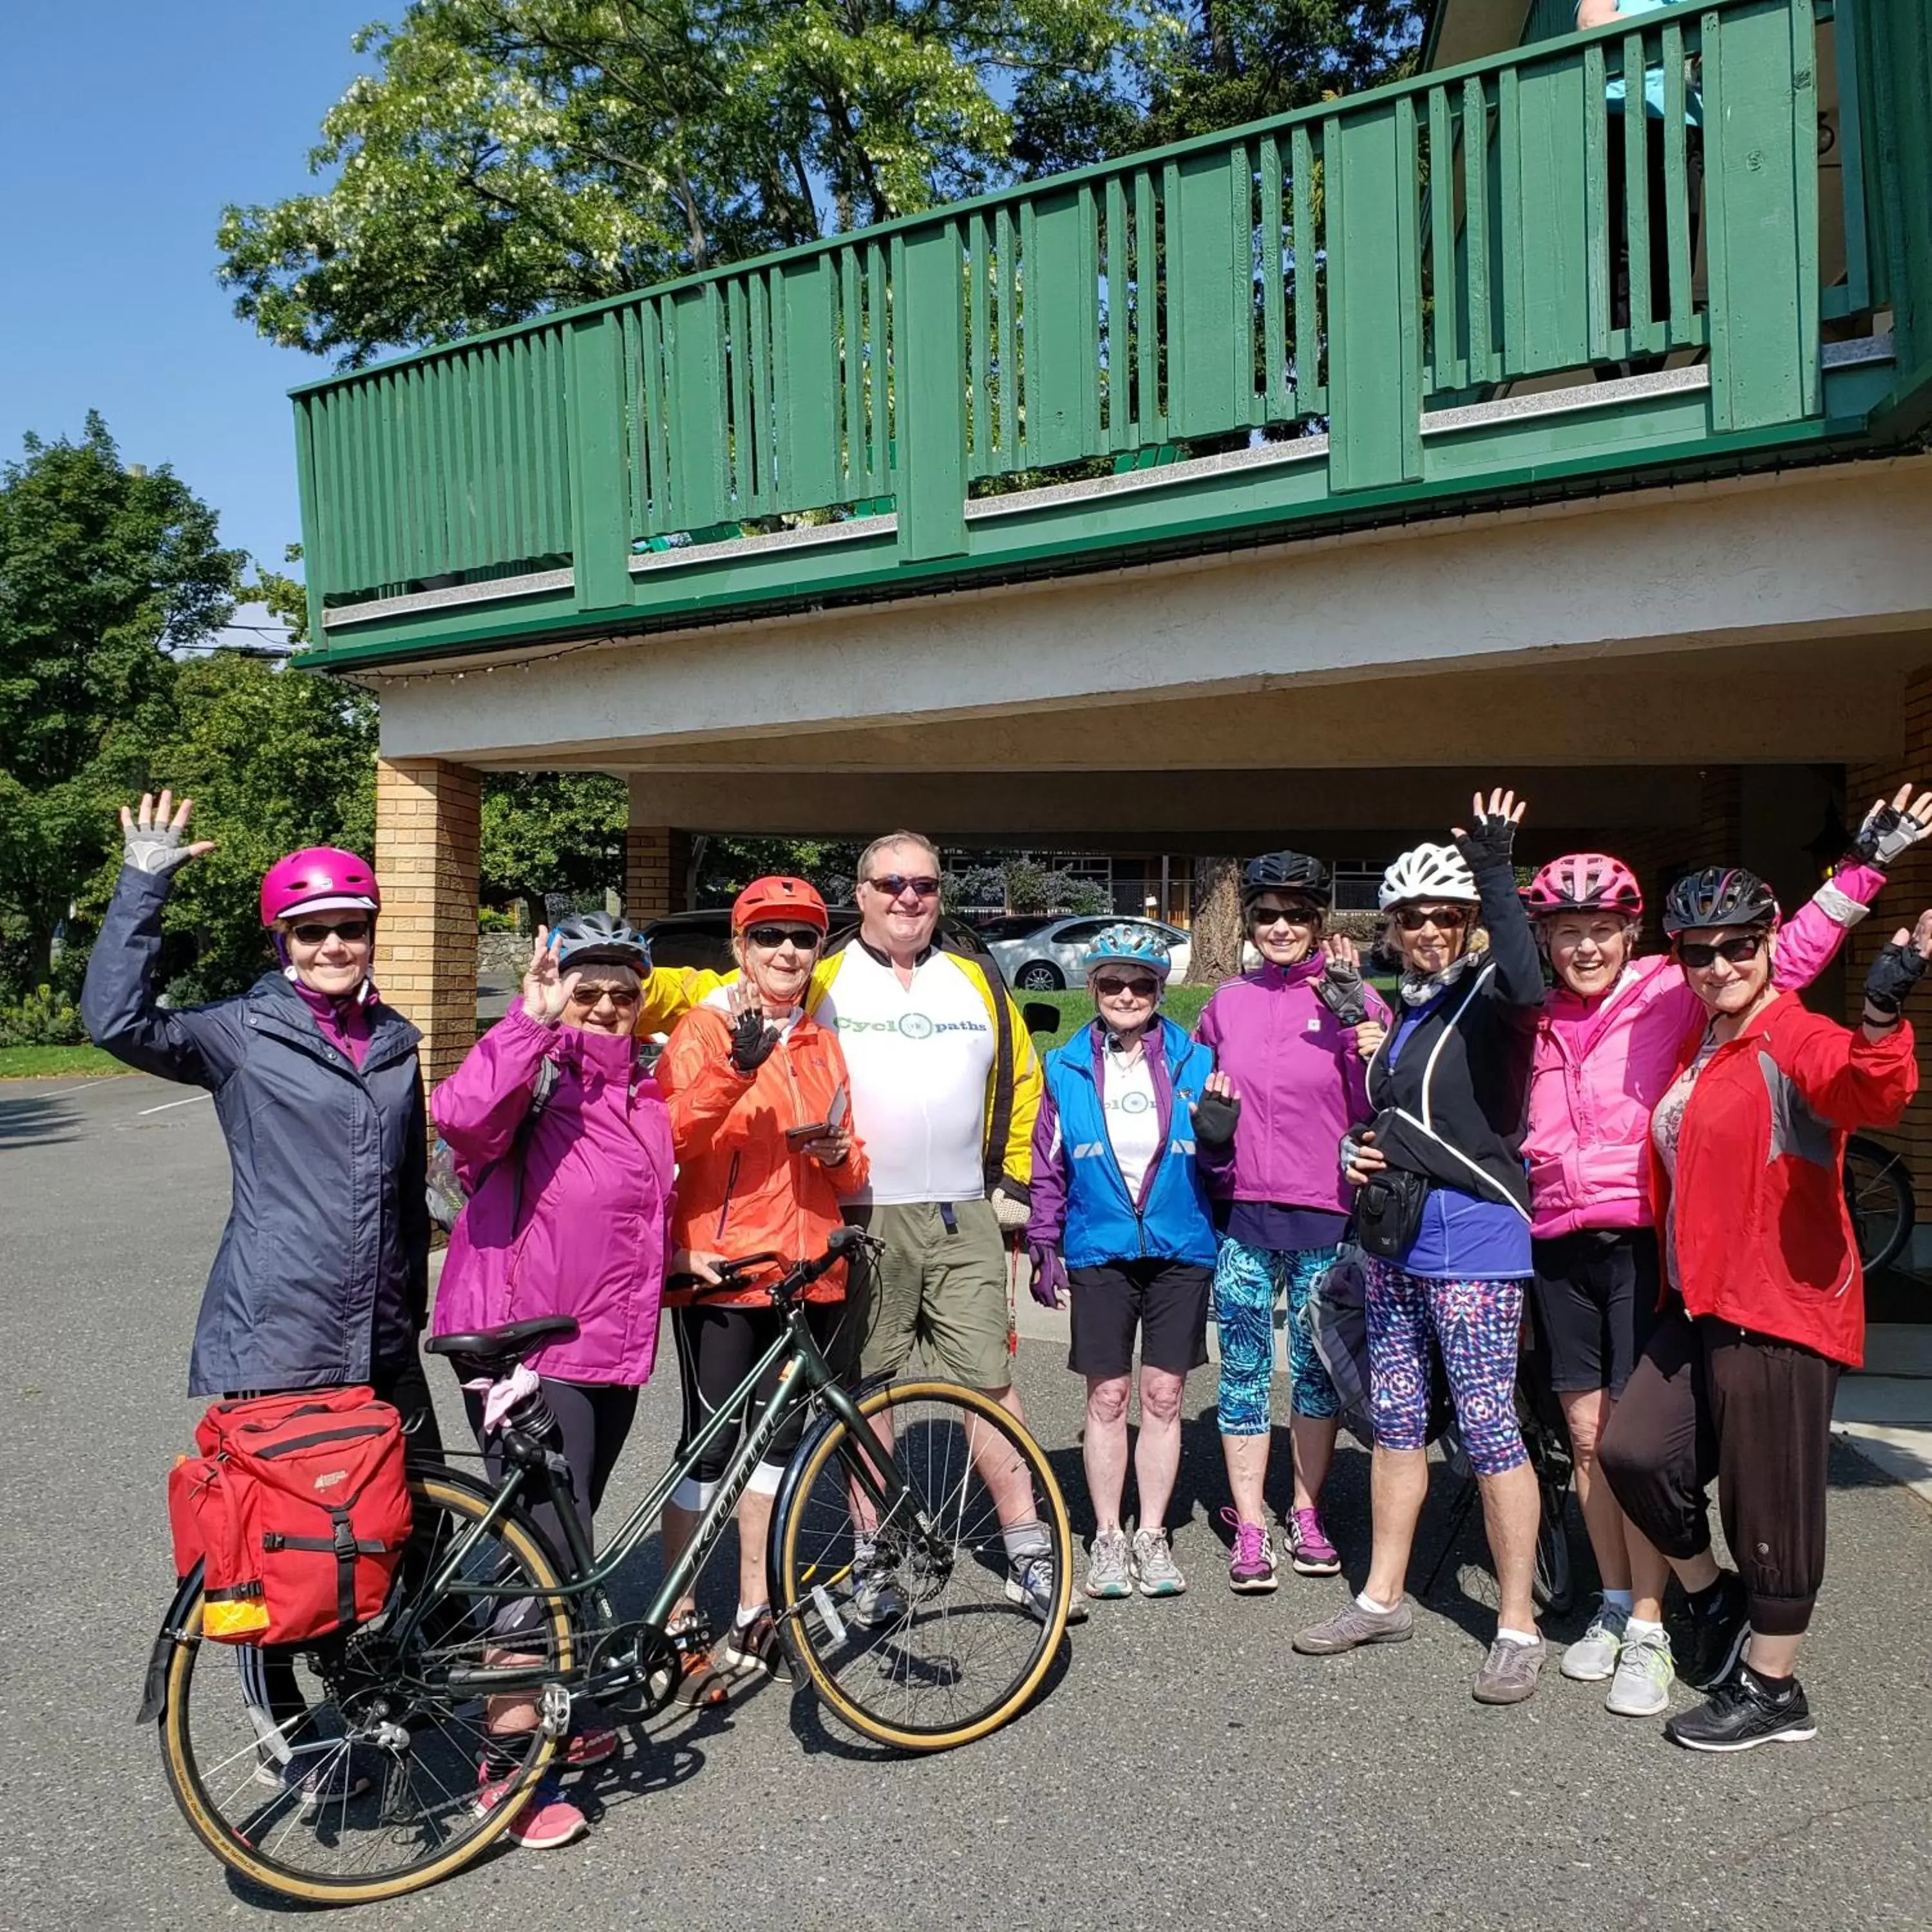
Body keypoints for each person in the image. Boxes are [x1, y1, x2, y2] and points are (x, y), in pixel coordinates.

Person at [1520, 792, 1926, 1718]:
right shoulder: (1700, 1035)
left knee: (1769, 1500)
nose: (1717, 964)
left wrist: (1880, 1001)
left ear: (1765, 943)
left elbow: (1868, 1091)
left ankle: (1772, 1688)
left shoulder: (1790, 1034)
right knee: (1629, 1451)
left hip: (1779, 1303)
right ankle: (1712, 1596)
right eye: (1698, 952)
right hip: (1695, 1296)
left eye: (1739, 947)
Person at [80, 791, 444, 1808]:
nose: (335, 943)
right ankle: (282, 1720)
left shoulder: (394, 1043)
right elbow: (114, 1020)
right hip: (278, 1332)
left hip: (377, 1331)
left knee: (415, 1515)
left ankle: (382, 1675)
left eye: (351, 926)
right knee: (275, 1546)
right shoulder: (241, 1034)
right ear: (283, 941)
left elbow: (411, 1179)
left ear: (372, 933)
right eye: (313, 929)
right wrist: (143, 885)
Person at [1294, 790, 1549, 1705]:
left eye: (1448, 917)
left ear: (1469, 921)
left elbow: (1531, 982)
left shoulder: (1490, 993)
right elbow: (1397, 1117)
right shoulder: (1409, 1007)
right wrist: (1358, 1149)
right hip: (1397, 1241)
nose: (1432, 931)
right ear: (1394, 928)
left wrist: (1496, 867)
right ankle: (1382, 1596)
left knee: (1486, 1428)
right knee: (1397, 1420)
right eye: (1415, 918)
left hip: (1477, 1241)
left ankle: (1517, 1627)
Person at [430, 910, 679, 1848]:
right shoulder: (532, 1084)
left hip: (608, 1349)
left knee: (566, 1546)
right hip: (529, 1349)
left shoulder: (642, 1095)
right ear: (561, 989)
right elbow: (459, 1118)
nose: (608, 1007)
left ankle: (553, 1717)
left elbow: (639, 1218)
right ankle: (506, 1766)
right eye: (589, 990)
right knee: (533, 1558)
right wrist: (530, 1021)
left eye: (623, 991)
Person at [806, 831, 1072, 1621]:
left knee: (990, 1384)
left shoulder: (974, 980)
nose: (908, 898)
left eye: (923, 885)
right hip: (862, 1213)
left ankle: (1028, 1547)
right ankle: (876, 1558)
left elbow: (1022, 1082)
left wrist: (1016, 1184)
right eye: (891, 883)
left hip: (965, 1211)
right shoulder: (819, 978)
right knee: (869, 1392)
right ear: (861, 893)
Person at [654, 878, 869, 1687]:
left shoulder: (821, 1039)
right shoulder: (703, 1029)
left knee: (776, 1449)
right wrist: (735, 1072)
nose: (788, 951)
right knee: (706, 1451)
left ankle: (754, 1606)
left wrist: (834, 1157)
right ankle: (677, 1614)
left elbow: (854, 1162)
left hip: (806, 1270)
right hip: (725, 1268)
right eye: (770, 936)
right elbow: (669, 1138)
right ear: (739, 947)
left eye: (804, 938)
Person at [1195, 853, 1391, 1591]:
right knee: (1243, 1372)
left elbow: (1382, 1101)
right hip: (1244, 1215)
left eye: (1298, 915)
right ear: (1250, 920)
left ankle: (1305, 1511)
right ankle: (1249, 1524)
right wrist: (1212, 1141)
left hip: (1327, 1215)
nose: (1282, 927)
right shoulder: (1227, 1002)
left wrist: (1357, 1015)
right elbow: (1206, 1103)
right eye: (1268, 914)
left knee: (1314, 1376)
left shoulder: (1354, 998)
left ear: (1320, 921)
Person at [1026, 925, 1240, 1599]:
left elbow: (1222, 1169)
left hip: (1180, 1246)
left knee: (1165, 1396)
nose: (1126, 995)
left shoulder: (1196, 1061)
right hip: (1101, 1246)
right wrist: (1043, 1239)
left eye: (1141, 984)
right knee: (1109, 1396)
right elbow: (1047, 1164)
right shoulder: (1063, 1066)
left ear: (1159, 991)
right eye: (1112, 983)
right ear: (1093, 989)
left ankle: (1153, 1534)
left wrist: (1219, 1142)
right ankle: (1109, 1538)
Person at [1577, 0, 1705, 339]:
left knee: (1676, 248)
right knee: (1625, 247)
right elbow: (1591, 21)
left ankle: (1652, 356)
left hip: (1687, 124)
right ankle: (1620, 362)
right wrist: (1679, 26)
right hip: (1624, 114)